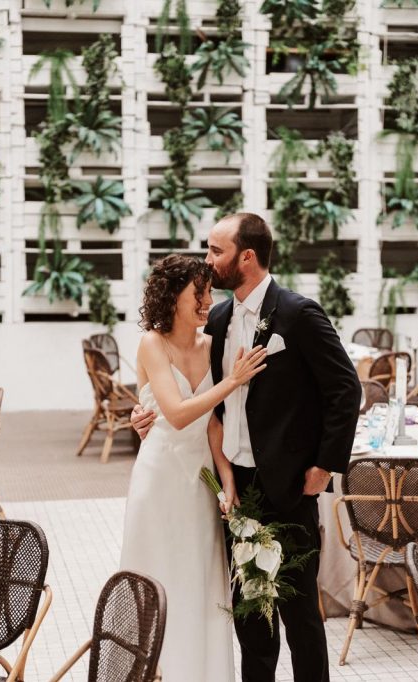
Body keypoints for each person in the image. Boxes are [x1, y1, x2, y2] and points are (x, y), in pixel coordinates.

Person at [132, 213, 362, 682]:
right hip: (237, 489)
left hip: (291, 484)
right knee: (250, 618)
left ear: (247, 257)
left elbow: (345, 390)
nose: (209, 260)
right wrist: (149, 416)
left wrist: (324, 465)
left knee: (299, 614)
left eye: (216, 251)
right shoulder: (215, 320)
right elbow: (207, 407)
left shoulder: (298, 314)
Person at [120, 253, 268, 681]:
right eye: (198, 294)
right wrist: (232, 381)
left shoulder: (211, 344)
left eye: (208, 293)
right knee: (160, 576)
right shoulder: (152, 343)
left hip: (200, 481)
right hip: (160, 478)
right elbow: (178, 412)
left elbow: (213, 424)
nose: (207, 301)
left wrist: (226, 482)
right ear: (172, 297)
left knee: (200, 582)